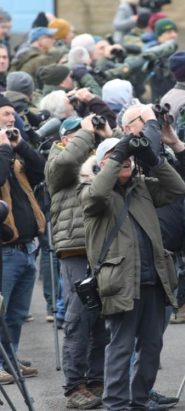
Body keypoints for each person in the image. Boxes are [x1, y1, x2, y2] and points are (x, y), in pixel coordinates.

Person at [79, 104, 185, 410]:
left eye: (127, 158)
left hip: (153, 280)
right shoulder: (91, 193)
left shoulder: (142, 188)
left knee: (152, 347)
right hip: (120, 282)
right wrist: (119, 149)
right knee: (121, 347)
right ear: (102, 164)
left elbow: (178, 189)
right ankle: (116, 404)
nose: (124, 161)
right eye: (116, 158)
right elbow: (99, 193)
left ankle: (138, 401)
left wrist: (153, 160)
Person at [46, 115, 112, 409]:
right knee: (79, 317)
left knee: (103, 318)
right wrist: (85, 132)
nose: (84, 138)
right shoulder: (58, 157)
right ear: (64, 137)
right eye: (76, 134)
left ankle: (97, 380)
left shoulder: (97, 156)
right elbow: (66, 164)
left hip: (105, 244)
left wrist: (108, 134)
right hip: (75, 248)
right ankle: (75, 386)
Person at [0, 96, 46, 385]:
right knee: (1, 313)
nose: (10, 119)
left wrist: (20, 146)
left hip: (27, 247)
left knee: (16, 315)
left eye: (12, 115)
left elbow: (42, 171)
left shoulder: (12, 152)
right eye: (4, 114)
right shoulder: (3, 155)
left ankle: (10, 358)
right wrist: (4, 149)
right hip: (4, 250)